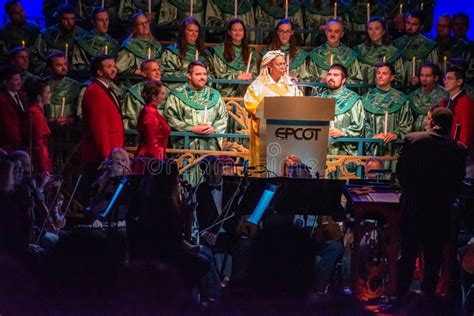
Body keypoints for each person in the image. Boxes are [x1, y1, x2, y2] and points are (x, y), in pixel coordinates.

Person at [396, 107, 466, 299]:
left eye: (428, 119)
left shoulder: (413, 140)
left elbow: (402, 173)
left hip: (414, 207)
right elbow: (457, 183)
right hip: (440, 211)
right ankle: (428, 300)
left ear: (433, 122)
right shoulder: (458, 149)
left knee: (407, 256)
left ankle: (400, 298)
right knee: (433, 259)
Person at [195, 155, 252, 298]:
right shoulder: (199, 190)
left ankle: (236, 286)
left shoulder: (235, 188)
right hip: (208, 235)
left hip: (230, 232)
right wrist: (205, 233)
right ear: (205, 172)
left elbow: (238, 213)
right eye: (210, 169)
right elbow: (196, 219)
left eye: (217, 167)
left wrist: (225, 228)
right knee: (202, 251)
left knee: (245, 245)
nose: (215, 172)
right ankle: (212, 291)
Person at [244, 50, 303, 167]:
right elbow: (250, 104)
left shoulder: (290, 84)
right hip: (266, 129)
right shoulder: (258, 85)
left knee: (285, 163)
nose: (283, 67)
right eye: (279, 64)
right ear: (269, 65)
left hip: (288, 130)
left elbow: (299, 101)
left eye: (284, 64)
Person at [164, 61, 228, 152]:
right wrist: (192, 128)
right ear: (189, 76)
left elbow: (223, 116)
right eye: (198, 74)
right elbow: (170, 118)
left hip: (210, 145)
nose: (202, 77)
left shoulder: (215, 95)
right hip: (186, 145)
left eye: (205, 74)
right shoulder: (177, 95)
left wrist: (214, 128)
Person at [80, 55, 124, 185]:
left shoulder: (105, 89)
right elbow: (99, 126)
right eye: (109, 67)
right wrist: (106, 157)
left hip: (112, 151)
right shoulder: (95, 91)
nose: (114, 69)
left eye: (114, 66)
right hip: (101, 155)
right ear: (99, 71)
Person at [363, 63, 413, 155]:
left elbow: (407, 124)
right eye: (378, 73)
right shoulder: (366, 98)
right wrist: (373, 136)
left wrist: (396, 134)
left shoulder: (401, 99)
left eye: (384, 73)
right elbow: (363, 122)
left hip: (394, 148)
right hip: (373, 147)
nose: (380, 76)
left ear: (392, 77)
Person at [317, 64, 365, 156]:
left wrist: (342, 132)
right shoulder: (320, 98)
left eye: (335, 75)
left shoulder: (353, 99)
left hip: (344, 152)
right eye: (329, 74)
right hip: (322, 152)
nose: (331, 77)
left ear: (343, 80)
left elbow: (359, 127)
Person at [30, 3, 85, 76]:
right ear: (59, 19)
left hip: (76, 76)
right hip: (50, 76)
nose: (69, 22)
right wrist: (52, 69)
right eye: (65, 19)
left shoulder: (82, 35)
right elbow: (35, 58)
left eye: (72, 19)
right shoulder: (45, 35)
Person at [210, 18, 258, 98]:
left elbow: (255, 73)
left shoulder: (250, 52)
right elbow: (220, 75)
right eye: (235, 30)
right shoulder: (220, 50)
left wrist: (251, 76)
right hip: (226, 92)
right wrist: (237, 77)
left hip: (245, 92)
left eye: (240, 30)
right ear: (229, 32)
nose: (238, 33)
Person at [440, 67, 474, 177]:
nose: (445, 81)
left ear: (459, 82)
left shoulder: (466, 103)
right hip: (446, 147)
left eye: (449, 78)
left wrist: (460, 148)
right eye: (445, 79)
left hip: (459, 152)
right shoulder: (444, 102)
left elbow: (466, 130)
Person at [161, 17, 210, 90]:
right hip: (179, 90)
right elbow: (166, 74)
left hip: (202, 91)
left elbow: (211, 74)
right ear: (183, 32)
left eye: (196, 31)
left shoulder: (204, 52)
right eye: (190, 30)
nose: (194, 34)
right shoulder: (172, 52)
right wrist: (190, 75)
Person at [308, 19, 362, 84]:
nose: (332, 34)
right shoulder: (315, 54)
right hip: (320, 92)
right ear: (326, 32)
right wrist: (321, 81)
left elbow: (357, 80)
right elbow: (308, 78)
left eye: (336, 31)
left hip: (343, 93)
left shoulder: (350, 55)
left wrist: (339, 82)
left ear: (341, 34)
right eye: (330, 31)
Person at [353, 17, 404, 86]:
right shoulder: (360, 50)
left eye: (377, 29)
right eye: (370, 29)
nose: (373, 32)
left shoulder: (393, 52)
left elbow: (399, 77)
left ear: (383, 31)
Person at [393, 10, 439, 87]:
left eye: (414, 24)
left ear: (421, 26)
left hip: (421, 88)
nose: (410, 27)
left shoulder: (429, 45)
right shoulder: (397, 43)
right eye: (408, 23)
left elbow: (434, 70)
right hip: (399, 88)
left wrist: (421, 80)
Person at [71, 8, 119, 77]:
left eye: (107, 20)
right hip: (87, 78)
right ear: (93, 22)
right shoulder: (83, 41)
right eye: (100, 20)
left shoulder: (114, 43)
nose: (105, 23)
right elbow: (77, 65)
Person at [122, 59, 166, 130]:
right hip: (137, 132)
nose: (158, 73)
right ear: (144, 73)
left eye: (158, 70)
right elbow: (127, 118)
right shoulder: (133, 93)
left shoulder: (166, 92)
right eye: (154, 70)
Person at [22, 78, 52, 175]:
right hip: (38, 157)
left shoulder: (38, 111)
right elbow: (37, 143)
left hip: (42, 153)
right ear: (39, 97)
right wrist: (44, 168)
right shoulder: (34, 113)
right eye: (48, 93)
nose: (50, 95)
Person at [135, 80, 170, 160]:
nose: (164, 96)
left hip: (154, 155)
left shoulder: (150, 111)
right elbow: (152, 143)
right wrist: (157, 164)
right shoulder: (150, 113)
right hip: (150, 158)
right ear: (154, 97)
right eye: (162, 93)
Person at [43, 52, 81, 126]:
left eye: (65, 64)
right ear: (50, 68)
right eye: (59, 65)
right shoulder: (43, 85)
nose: (64, 68)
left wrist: (71, 120)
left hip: (70, 129)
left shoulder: (74, 85)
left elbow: (80, 112)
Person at [408, 63, 447, 132]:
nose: (423, 79)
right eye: (421, 75)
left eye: (428, 76)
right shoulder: (414, 95)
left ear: (436, 78)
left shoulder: (445, 95)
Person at [0, 66, 25, 152]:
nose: (19, 82)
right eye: (15, 80)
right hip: (9, 143)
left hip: (23, 140)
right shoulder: (2, 99)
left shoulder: (22, 96)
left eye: (19, 79)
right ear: (6, 82)